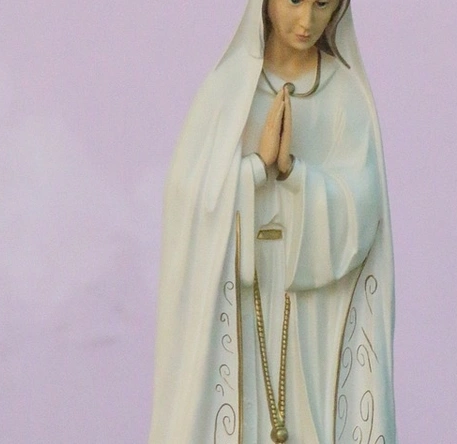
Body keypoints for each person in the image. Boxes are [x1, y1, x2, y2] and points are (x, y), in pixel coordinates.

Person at [149, 0, 396, 442]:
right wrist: (256, 168)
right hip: (243, 306)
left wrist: (295, 174)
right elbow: (189, 202)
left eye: (322, 4)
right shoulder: (228, 91)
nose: (306, 21)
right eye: (294, 0)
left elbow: (364, 209)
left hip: (316, 315)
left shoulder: (345, 94)